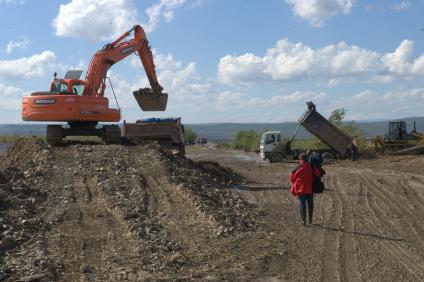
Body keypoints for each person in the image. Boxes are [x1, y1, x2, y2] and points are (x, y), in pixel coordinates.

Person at [289, 152, 321, 225]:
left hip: (301, 190)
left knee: (302, 205)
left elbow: (292, 178)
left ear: (300, 159)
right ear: (307, 159)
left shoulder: (297, 167)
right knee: (310, 205)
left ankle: (303, 221)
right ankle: (310, 220)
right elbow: (318, 174)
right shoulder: (312, 166)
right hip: (310, 189)